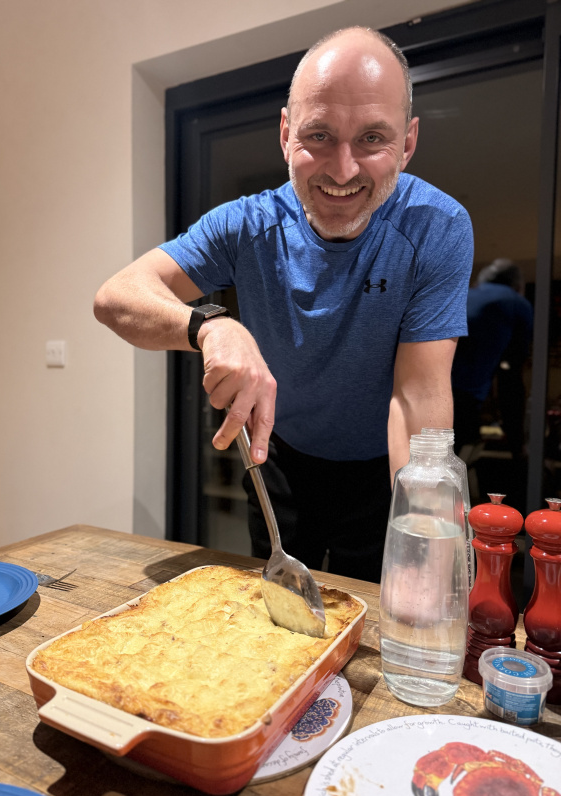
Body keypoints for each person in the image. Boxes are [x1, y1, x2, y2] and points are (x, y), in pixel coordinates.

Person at [94, 27, 474, 582]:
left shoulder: (436, 225)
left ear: (408, 143)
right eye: (319, 135)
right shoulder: (247, 224)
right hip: (281, 460)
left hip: (384, 467)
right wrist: (210, 326)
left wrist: (423, 532)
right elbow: (116, 297)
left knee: (387, 603)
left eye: (372, 138)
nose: (342, 170)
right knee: (276, 606)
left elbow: (417, 395)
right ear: (285, 133)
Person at [451, 258, 533, 457]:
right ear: (518, 287)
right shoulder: (516, 303)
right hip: (460, 399)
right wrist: (517, 446)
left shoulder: (462, 295)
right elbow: (510, 377)